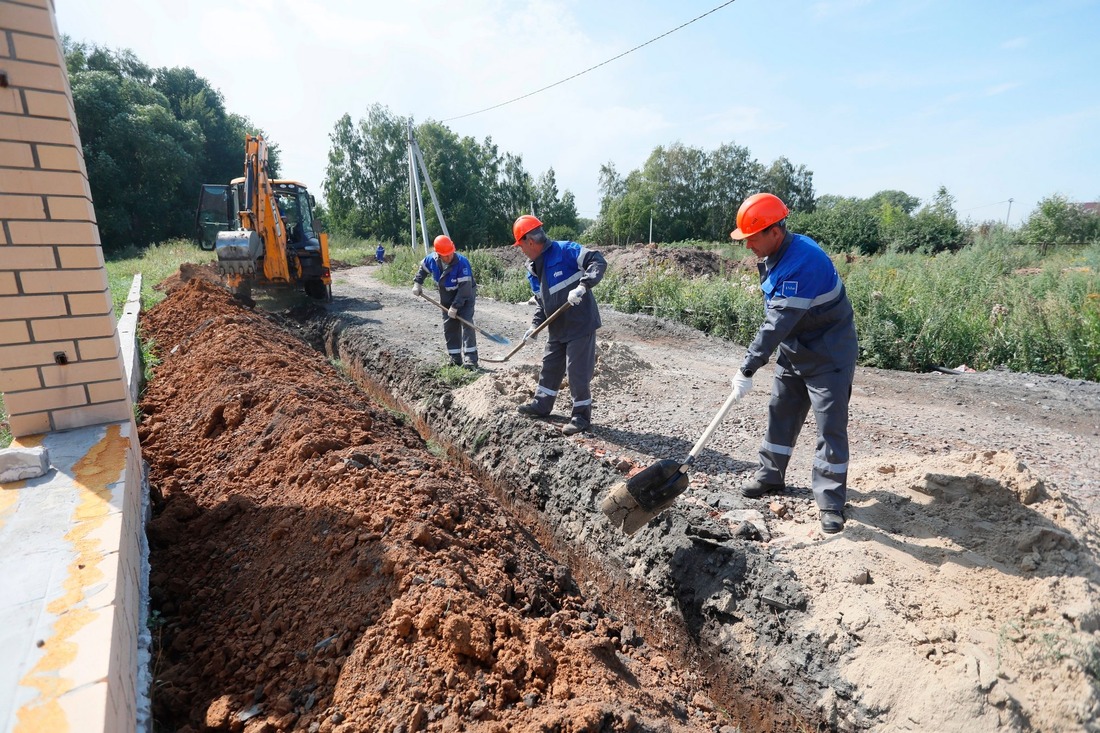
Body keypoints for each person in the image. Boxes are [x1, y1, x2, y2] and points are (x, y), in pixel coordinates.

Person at [728, 193, 858, 534]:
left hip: (828, 352)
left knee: (830, 426)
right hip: (795, 346)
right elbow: (780, 319)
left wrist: (747, 367)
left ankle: (831, 503)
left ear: (774, 231)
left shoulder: (804, 263)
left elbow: (776, 323)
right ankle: (770, 476)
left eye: (751, 238)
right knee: (781, 410)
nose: (747, 246)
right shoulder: (778, 251)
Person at [512, 215, 607, 436]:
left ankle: (581, 417)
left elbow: (598, 260)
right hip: (557, 327)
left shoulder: (566, 250)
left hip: (580, 324)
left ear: (530, 241)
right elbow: (540, 301)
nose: (521, 250)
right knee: (550, 366)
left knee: (577, 372)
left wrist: (583, 286)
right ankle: (542, 405)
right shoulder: (533, 268)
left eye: (521, 245)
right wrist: (534, 327)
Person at [412, 235, 478, 368]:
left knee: (467, 323)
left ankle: (471, 360)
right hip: (446, 295)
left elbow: (465, 290)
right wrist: (417, 283)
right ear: (438, 254)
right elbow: (422, 270)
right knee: (449, 325)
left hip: (465, 295)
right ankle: (455, 358)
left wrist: (455, 306)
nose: (449, 257)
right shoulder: (432, 259)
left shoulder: (462, 263)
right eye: (445, 255)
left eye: (450, 253)